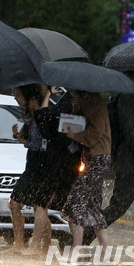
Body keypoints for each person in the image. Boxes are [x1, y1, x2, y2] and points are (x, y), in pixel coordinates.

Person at [82, 70, 134, 260]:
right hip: (131, 166)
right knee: (117, 208)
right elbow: (129, 132)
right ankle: (81, 239)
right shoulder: (127, 96)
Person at [19, 87, 80, 255]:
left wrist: (47, 95)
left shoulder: (64, 105)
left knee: (41, 205)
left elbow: (45, 118)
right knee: (69, 208)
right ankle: (76, 246)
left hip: (57, 164)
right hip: (70, 162)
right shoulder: (79, 105)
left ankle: (34, 246)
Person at [61, 90, 111, 261]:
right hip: (94, 158)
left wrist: (74, 135)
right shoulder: (86, 101)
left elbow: (95, 132)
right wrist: (77, 106)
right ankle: (106, 252)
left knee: (76, 203)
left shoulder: (93, 102)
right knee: (92, 205)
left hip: (97, 158)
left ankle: (78, 248)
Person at [8, 84, 46, 252]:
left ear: (30, 98)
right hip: (31, 167)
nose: (16, 98)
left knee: (38, 207)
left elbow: (39, 145)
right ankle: (20, 243)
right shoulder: (30, 115)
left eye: (18, 95)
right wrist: (20, 134)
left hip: (39, 168)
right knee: (16, 203)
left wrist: (24, 142)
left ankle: (38, 246)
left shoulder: (41, 116)